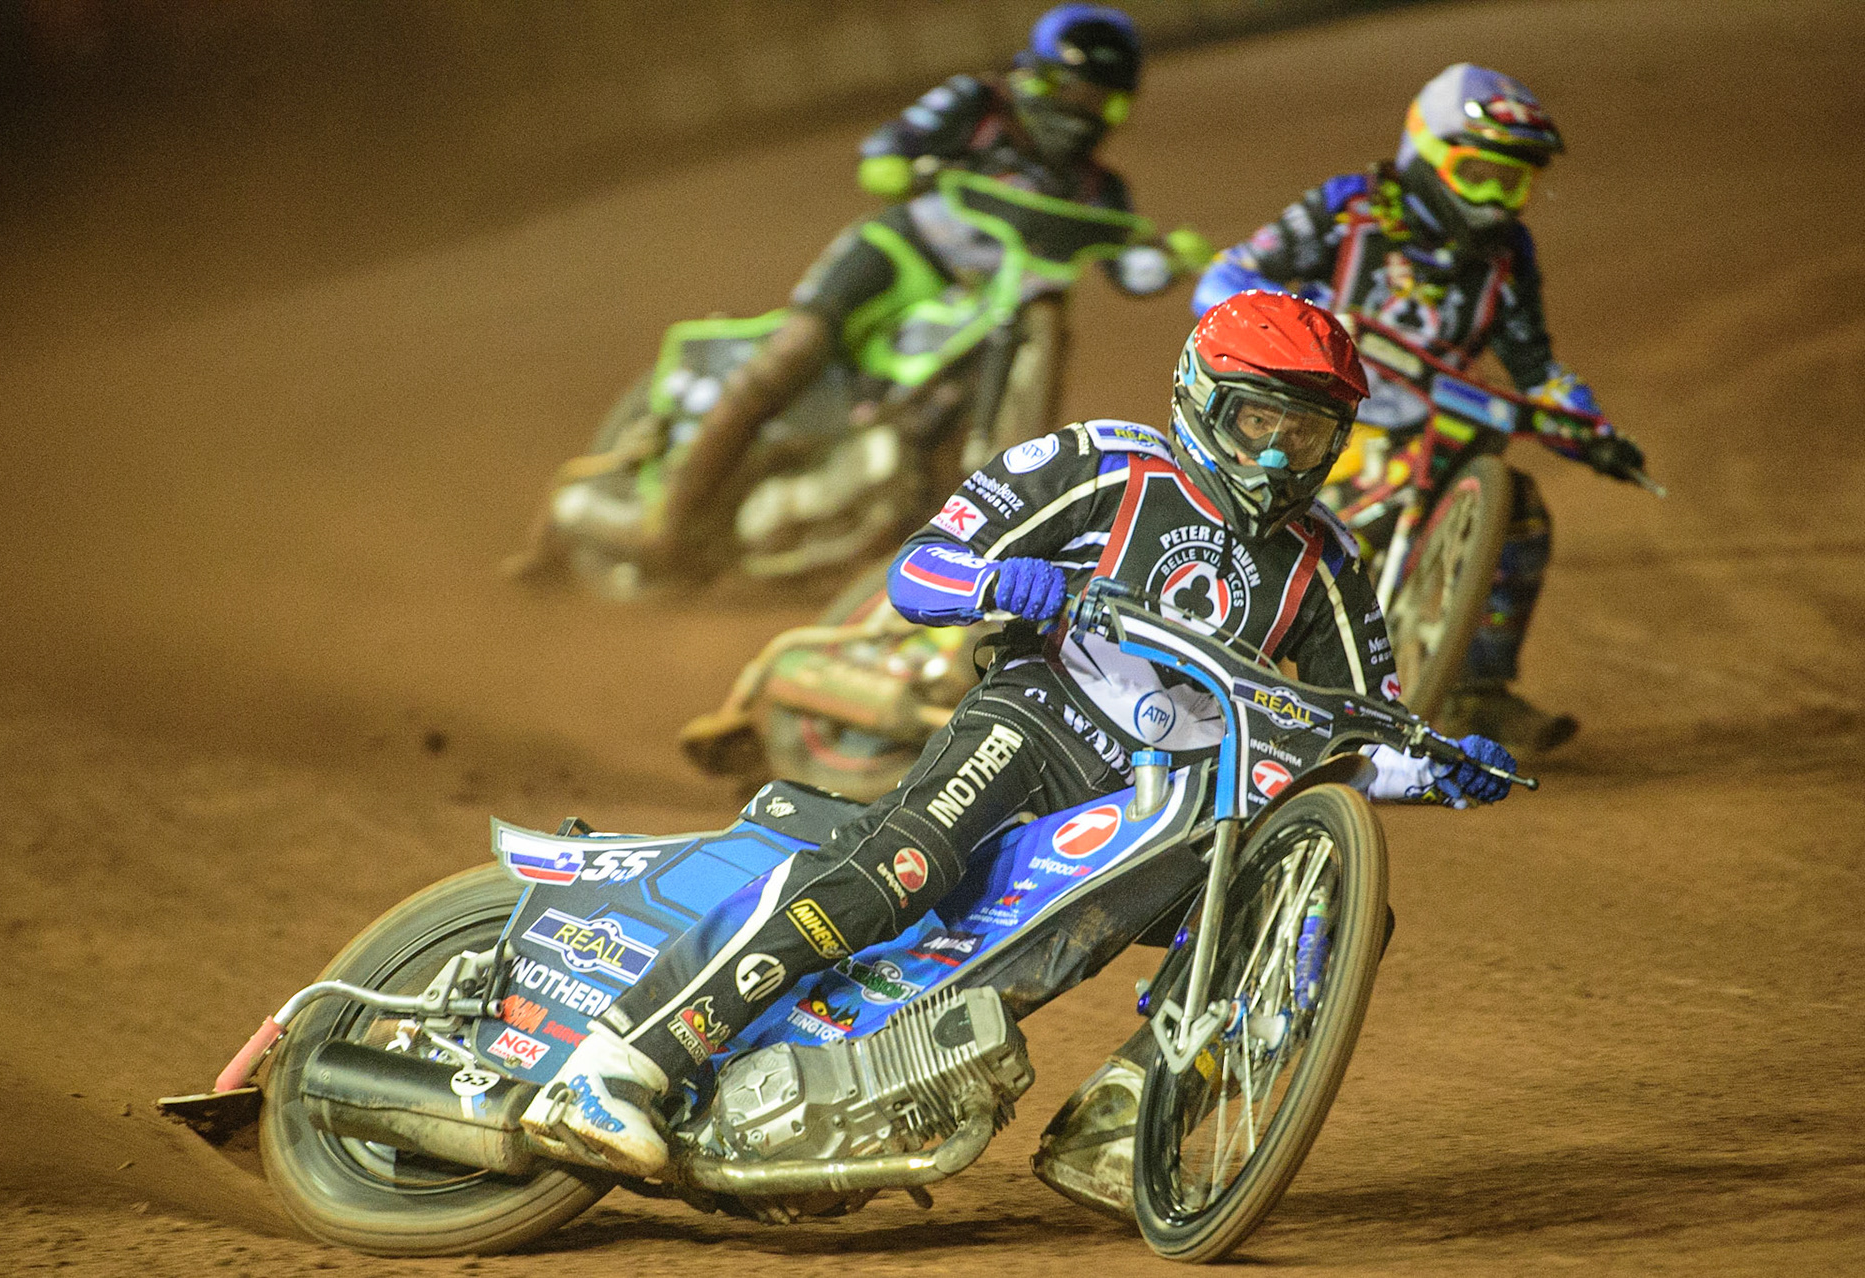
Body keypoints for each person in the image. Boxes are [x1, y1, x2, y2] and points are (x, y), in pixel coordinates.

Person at [520, 291, 1518, 1177]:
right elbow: (921, 570)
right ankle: (623, 1064)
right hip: (1040, 721)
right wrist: (1000, 582)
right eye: (1257, 419)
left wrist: (1440, 766)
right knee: (904, 866)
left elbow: (1360, 722)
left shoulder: (1328, 561)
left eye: (1305, 436)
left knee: (1327, 916)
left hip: (1173, 801)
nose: (1274, 454)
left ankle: (1126, 1118)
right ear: (1202, 397)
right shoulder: (1098, 463)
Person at [513, 4, 1209, 577]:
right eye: (1076, 91)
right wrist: (901, 165)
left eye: (1103, 98)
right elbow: (890, 147)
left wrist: (1169, 259)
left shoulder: (1103, 190)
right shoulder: (978, 103)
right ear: (1042, 78)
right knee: (797, 347)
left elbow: (1128, 267)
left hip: (994, 308)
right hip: (902, 257)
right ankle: (667, 514)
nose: (1086, 110)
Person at [1192, 63, 1648, 752]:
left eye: (1514, 181)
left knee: (1519, 512)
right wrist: (1289, 327)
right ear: (1427, 155)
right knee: (1253, 513)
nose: (1498, 201)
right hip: (1314, 410)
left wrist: (1593, 430)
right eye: (1480, 175)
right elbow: (1227, 275)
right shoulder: (1351, 208)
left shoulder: (1507, 254)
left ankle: (1476, 693)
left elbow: (1535, 365)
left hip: (1433, 428)